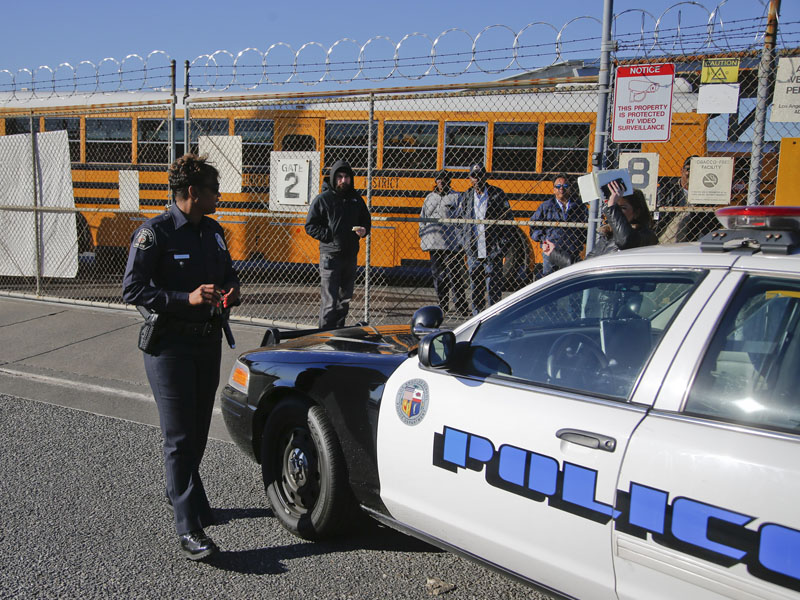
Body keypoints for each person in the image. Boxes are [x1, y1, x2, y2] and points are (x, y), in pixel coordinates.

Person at [122, 153, 240, 561]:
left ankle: (182, 491)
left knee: (199, 431)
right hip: (169, 347)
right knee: (179, 436)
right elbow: (133, 289)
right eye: (213, 190)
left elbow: (229, 272)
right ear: (193, 192)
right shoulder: (154, 234)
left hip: (206, 342)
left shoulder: (213, 231)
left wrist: (232, 290)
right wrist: (183, 299)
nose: (219, 196)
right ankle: (188, 527)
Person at [305, 160, 371, 330]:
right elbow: (310, 226)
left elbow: (366, 220)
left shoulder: (356, 199)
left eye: (346, 177)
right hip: (330, 257)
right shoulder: (323, 199)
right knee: (329, 303)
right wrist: (329, 235)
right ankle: (324, 336)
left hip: (350, 256)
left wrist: (364, 230)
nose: (343, 180)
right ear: (334, 178)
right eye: (340, 177)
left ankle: (338, 334)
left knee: (344, 301)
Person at [545, 180, 657, 269]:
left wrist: (612, 206)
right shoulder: (608, 236)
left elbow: (625, 241)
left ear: (636, 213)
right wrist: (554, 253)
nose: (617, 211)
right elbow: (586, 267)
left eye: (622, 208)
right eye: (615, 207)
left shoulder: (644, 236)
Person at [459, 163, 513, 315]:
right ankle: (477, 316)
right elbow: (458, 221)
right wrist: (465, 242)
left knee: (494, 287)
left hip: (492, 249)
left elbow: (509, 222)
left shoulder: (497, 194)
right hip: (473, 249)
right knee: (475, 286)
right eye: (474, 176)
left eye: (480, 175)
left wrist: (501, 246)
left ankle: (494, 316)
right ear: (470, 178)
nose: (477, 179)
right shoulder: (466, 196)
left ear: (485, 176)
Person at [419, 170, 469, 316]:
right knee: (438, 276)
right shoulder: (429, 198)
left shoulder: (456, 197)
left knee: (455, 275)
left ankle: (461, 305)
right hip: (434, 243)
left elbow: (462, 219)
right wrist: (423, 236)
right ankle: (443, 304)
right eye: (439, 179)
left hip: (451, 244)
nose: (441, 181)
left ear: (449, 180)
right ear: (436, 181)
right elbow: (422, 218)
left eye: (444, 178)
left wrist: (460, 240)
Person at [529, 173, 588, 276]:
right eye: (558, 186)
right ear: (553, 189)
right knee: (550, 279)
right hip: (551, 251)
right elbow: (533, 227)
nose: (561, 189)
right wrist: (544, 239)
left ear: (570, 188)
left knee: (572, 279)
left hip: (572, 252)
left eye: (565, 186)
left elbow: (588, 228)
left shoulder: (579, 206)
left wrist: (579, 241)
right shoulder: (546, 206)